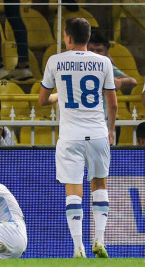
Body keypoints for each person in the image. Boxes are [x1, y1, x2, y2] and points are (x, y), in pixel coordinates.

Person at [38, 17, 117, 258]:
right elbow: (112, 103)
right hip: (97, 133)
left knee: (73, 190)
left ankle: (77, 247)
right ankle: (100, 240)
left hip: (69, 136)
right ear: (88, 37)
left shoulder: (55, 61)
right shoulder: (104, 62)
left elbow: (42, 100)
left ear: (68, 38)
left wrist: (57, 98)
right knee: (99, 185)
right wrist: (111, 129)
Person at [87, 31, 137, 95]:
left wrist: (119, 82)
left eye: (99, 50)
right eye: (91, 50)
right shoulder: (78, 66)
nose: (95, 54)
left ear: (106, 53)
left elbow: (133, 81)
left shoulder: (106, 67)